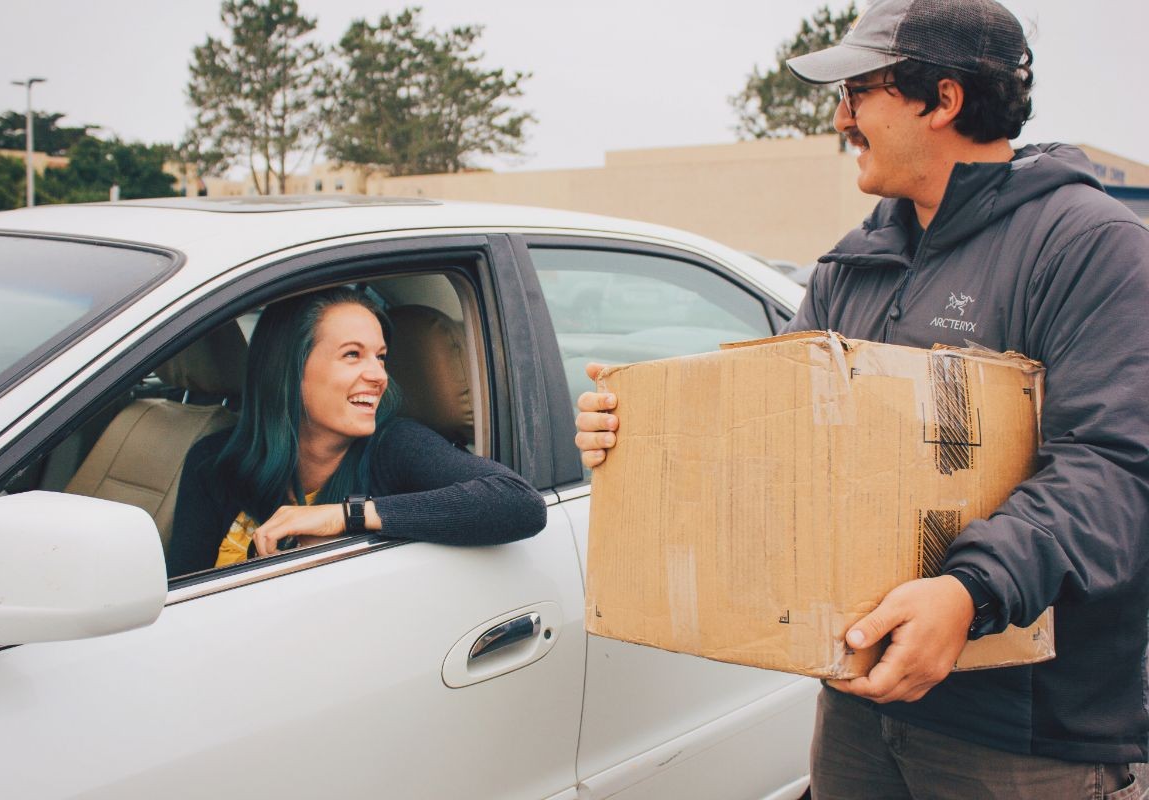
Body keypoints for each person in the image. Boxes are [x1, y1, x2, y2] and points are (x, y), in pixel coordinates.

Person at [576, 0, 1149, 796]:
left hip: (1024, 735)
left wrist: (967, 592)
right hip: (857, 705)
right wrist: (635, 432)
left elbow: (1115, 471)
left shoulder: (1086, 246)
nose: (841, 118)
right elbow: (771, 439)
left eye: (859, 92)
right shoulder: (855, 264)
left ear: (943, 99)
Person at [167, 286, 546, 578]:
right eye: (353, 354)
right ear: (289, 369)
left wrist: (346, 516)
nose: (379, 376)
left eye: (380, 357)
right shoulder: (214, 462)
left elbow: (519, 503)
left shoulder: (394, 447)